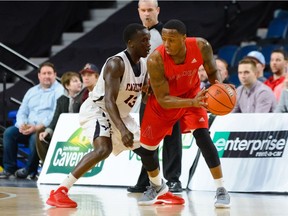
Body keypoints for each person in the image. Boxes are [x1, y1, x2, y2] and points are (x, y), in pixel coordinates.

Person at [46, 23, 152, 208]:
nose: (149, 44)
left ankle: (161, 190)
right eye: (144, 40)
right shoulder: (116, 63)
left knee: (148, 149)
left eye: (149, 39)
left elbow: (142, 97)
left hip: (119, 113)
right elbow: (109, 100)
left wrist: (149, 94)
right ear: (131, 43)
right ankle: (60, 191)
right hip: (99, 109)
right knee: (103, 149)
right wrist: (122, 129)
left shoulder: (143, 66)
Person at [137, 19, 230, 207]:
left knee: (203, 137)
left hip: (192, 94)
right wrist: (192, 102)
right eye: (164, 39)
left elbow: (212, 72)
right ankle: (156, 186)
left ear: (184, 38)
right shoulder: (156, 59)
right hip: (163, 103)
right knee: (147, 150)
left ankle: (221, 189)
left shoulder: (201, 46)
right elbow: (163, 99)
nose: (167, 44)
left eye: (172, 39)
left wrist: (219, 88)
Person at [128, 0, 183, 194]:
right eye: (143, 10)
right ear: (138, 12)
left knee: (172, 139)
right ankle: (147, 180)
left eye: (150, 10)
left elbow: (179, 63)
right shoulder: (135, 36)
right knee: (147, 140)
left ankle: (174, 179)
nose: (147, 14)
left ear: (158, 10)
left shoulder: (167, 34)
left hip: (169, 93)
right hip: (146, 96)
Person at [0, 62, 64, 179]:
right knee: (9, 133)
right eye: (44, 73)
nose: (47, 76)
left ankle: (29, 170)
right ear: (39, 76)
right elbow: (22, 111)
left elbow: (55, 114)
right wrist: (21, 125)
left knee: (36, 137)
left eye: (49, 73)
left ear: (55, 75)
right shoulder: (32, 91)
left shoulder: (60, 91)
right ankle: (9, 169)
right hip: (28, 127)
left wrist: (38, 127)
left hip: (46, 129)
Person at [36, 71, 83, 163]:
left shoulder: (84, 97)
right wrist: (47, 131)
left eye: (79, 81)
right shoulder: (61, 100)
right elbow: (56, 118)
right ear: (67, 86)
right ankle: (47, 163)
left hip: (79, 130)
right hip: (64, 130)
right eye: (75, 81)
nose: (79, 83)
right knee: (40, 134)